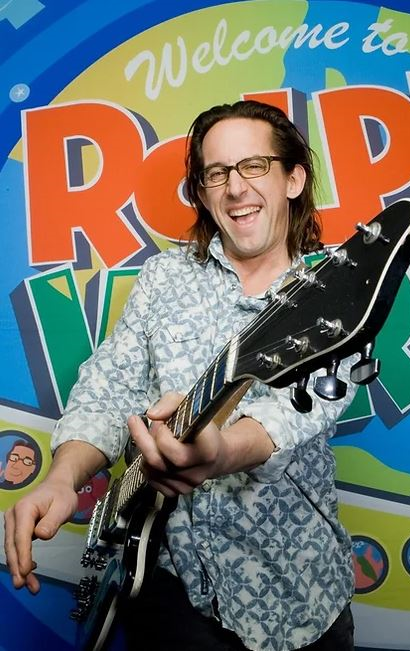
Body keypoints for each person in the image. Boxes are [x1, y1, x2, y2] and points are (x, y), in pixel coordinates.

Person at [4, 100, 357, 650]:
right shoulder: (164, 277)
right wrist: (60, 477)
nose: (235, 188)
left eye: (255, 166)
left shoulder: (339, 300)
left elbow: (290, 414)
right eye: (217, 173)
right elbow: (109, 387)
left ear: (294, 178)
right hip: (166, 583)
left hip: (298, 598)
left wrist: (218, 453)